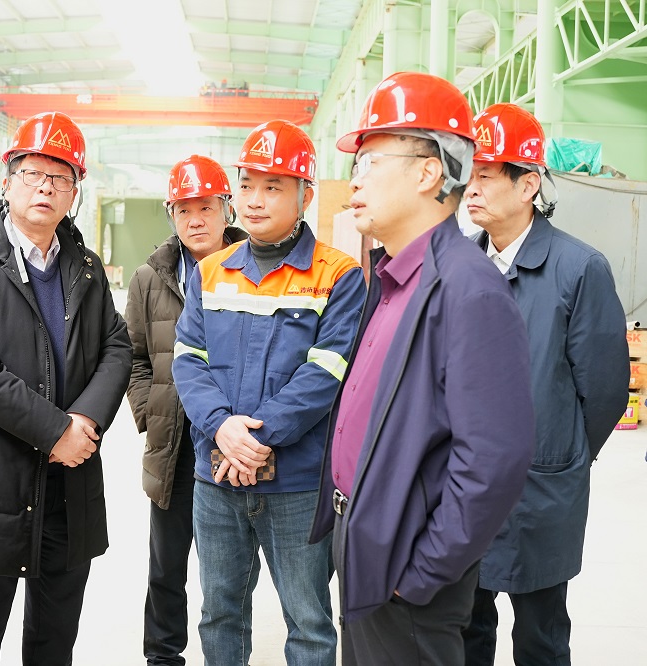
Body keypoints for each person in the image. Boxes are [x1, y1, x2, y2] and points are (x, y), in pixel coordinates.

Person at [308, 71, 537, 664]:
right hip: (368, 544)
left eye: (370, 161)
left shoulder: (468, 290)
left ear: (429, 172)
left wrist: (422, 572)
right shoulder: (392, 279)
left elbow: (493, 459)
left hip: (406, 568)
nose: (354, 180)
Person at [0, 111, 132, 665]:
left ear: (75, 191)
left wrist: (83, 424)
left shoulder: (85, 267)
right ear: (7, 180)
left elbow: (117, 346)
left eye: (61, 177)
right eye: (33, 174)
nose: (46, 187)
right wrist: (54, 432)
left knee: (53, 646)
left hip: (70, 484)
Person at [172, 120, 366, 665]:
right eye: (247, 185)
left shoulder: (338, 275)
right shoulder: (210, 272)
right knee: (219, 613)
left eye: (273, 187)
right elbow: (188, 360)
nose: (254, 200)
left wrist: (254, 439)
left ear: (306, 195)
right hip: (217, 478)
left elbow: (325, 373)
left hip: (297, 484)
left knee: (308, 621)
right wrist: (222, 429)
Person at [461, 103, 630, 665]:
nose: (471, 188)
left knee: (540, 636)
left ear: (528, 184)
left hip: (542, 488)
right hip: (464, 487)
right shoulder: (459, 266)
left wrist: (564, 453)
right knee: (465, 628)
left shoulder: (579, 268)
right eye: (470, 175)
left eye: (487, 175)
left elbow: (605, 390)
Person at [125, 154, 249, 665]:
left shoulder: (256, 269)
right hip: (173, 448)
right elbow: (133, 356)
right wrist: (149, 412)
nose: (195, 220)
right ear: (170, 213)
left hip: (232, 448)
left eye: (206, 208)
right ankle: (162, 658)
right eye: (184, 210)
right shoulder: (149, 278)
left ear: (226, 209)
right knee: (166, 568)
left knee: (229, 576)